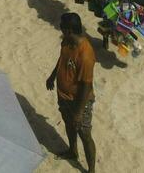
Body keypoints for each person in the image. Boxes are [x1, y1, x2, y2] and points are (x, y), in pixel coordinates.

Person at [47, 11, 96, 172]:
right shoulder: (66, 42)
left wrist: (79, 112)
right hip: (64, 96)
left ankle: (91, 170)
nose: (59, 28)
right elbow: (62, 59)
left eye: (61, 26)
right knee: (69, 125)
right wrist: (53, 76)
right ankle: (72, 151)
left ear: (68, 29)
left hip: (79, 101)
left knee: (85, 134)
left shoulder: (85, 54)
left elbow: (86, 86)